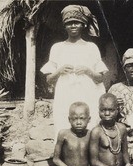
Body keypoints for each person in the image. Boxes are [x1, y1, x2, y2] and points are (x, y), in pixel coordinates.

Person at [40, 5, 108, 138]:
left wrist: (88, 71)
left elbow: (100, 78)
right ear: (64, 26)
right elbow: (49, 80)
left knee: (89, 122)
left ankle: (89, 155)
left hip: (88, 93)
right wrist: (59, 71)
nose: (73, 26)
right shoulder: (57, 48)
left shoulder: (91, 47)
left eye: (76, 22)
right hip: (66, 94)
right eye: (69, 23)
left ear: (83, 25)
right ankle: (66, 155)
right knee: (64, 123)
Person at [53, 102, 105, 166]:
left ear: (89, 119)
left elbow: (89, 158)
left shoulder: (90, 134)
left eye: (82, 118)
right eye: (74, 119)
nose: (78, 122)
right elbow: (56, 159)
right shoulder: (63, 134)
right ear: (69, 119)